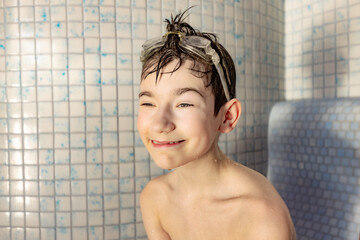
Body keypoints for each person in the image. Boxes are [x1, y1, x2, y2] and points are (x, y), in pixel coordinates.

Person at [137, 8, 296, 240]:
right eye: (149, 103)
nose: (160, 123)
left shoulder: (260, 215)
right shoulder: (155, 197)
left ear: (227, 117)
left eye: (184, 104)